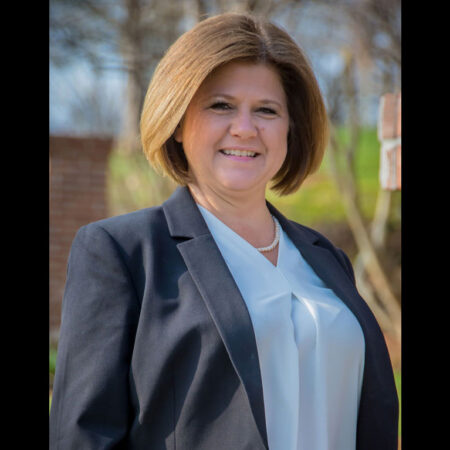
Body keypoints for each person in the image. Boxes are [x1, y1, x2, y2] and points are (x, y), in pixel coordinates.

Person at [50, 12, 398, 450]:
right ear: (178, 121)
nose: (245, 128)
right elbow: (82, 437)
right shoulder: (120, 253)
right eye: (221, 105)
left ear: (290, 129)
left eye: (266, 110)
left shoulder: (327, 258)